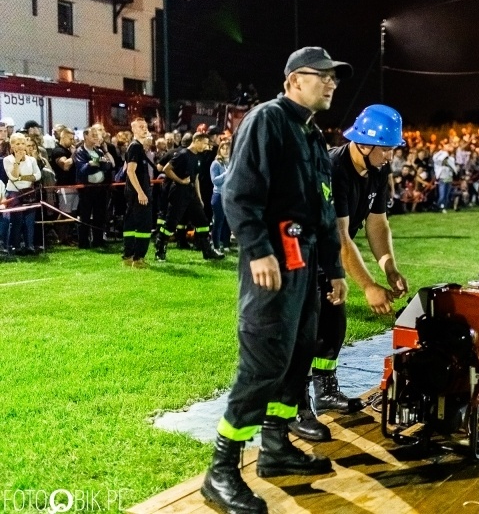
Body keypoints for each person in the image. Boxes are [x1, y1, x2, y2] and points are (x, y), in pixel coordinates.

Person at [201, 46, 352, 514]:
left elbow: (325, 212)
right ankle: (221, 471)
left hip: (305, 265)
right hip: (271, 262)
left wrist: (336, 269)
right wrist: (259, 249)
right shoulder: (267, 119)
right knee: (263, 362)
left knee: (297, 356)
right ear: (293, 81)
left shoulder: (310, 136)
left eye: (334, 78)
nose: (331, 84)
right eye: (322, 76)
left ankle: (275, 448)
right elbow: (238, 192)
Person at [291, 105, 409, 442]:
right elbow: (341, 238)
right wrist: (368, 286)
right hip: (300, 256)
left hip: (325, 255)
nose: (390, 154)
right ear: (365, 144)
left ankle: (325, 390)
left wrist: (388, 266)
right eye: (386, 147)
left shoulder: (375, 170)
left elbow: (377, 223)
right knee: (303, 333)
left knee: (333, 324)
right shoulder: (332, 168)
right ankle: (296, 408)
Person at [154, 132, 224, 262]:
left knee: (202, 222)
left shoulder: (199, 157)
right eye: (204, 143)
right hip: (179, 191)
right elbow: (166, 169)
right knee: (171, 222)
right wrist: (180, 181)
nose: (205, 146)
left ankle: (207, 251)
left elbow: (196, 178)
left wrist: (199, 198)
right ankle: (160, 249)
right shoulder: (183, 154)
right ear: (196, 140)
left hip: (191, 192)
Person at [122, 118, 153, 267]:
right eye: (140, 127)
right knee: (143, 224)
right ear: (133, 130)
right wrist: (141, 192)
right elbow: (130, 171)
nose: (144, 129)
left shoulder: (138, 147)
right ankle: (138, 258)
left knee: (131, 223)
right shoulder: (135, 147)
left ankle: (128, 256)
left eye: (145, 126)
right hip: (138, 192)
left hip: (133, 192)